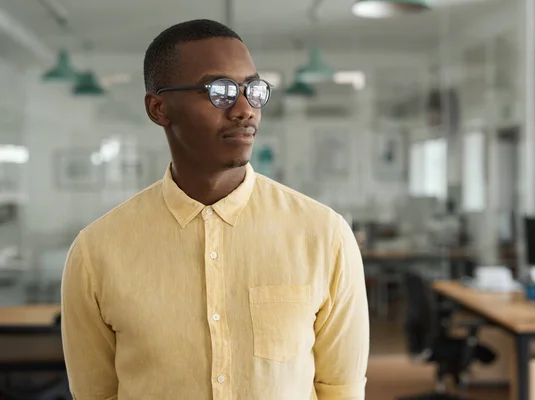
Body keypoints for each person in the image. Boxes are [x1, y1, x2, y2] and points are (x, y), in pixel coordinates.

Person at [61, 19, 369, 400]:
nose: (245, 109)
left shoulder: (325, 236)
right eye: (220, 91)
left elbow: (340, 390)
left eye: (253, 89)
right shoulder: (96, 253)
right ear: (159, 108)